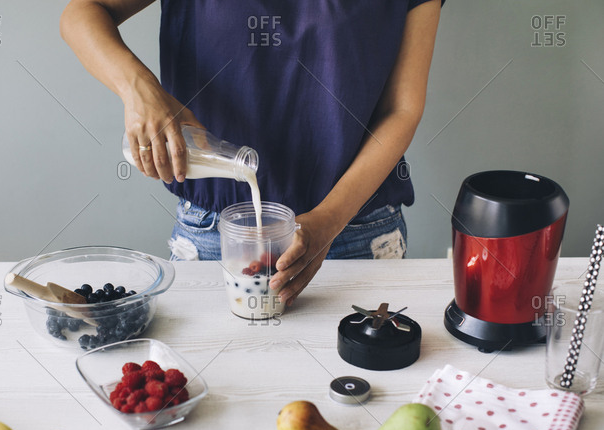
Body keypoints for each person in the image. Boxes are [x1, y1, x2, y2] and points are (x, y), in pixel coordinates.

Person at [60, 0, 443, 307]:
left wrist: (329, 221)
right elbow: (82, 12)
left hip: (357, 232)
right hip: (214, 234)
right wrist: (139, 89)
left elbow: (401, 109)